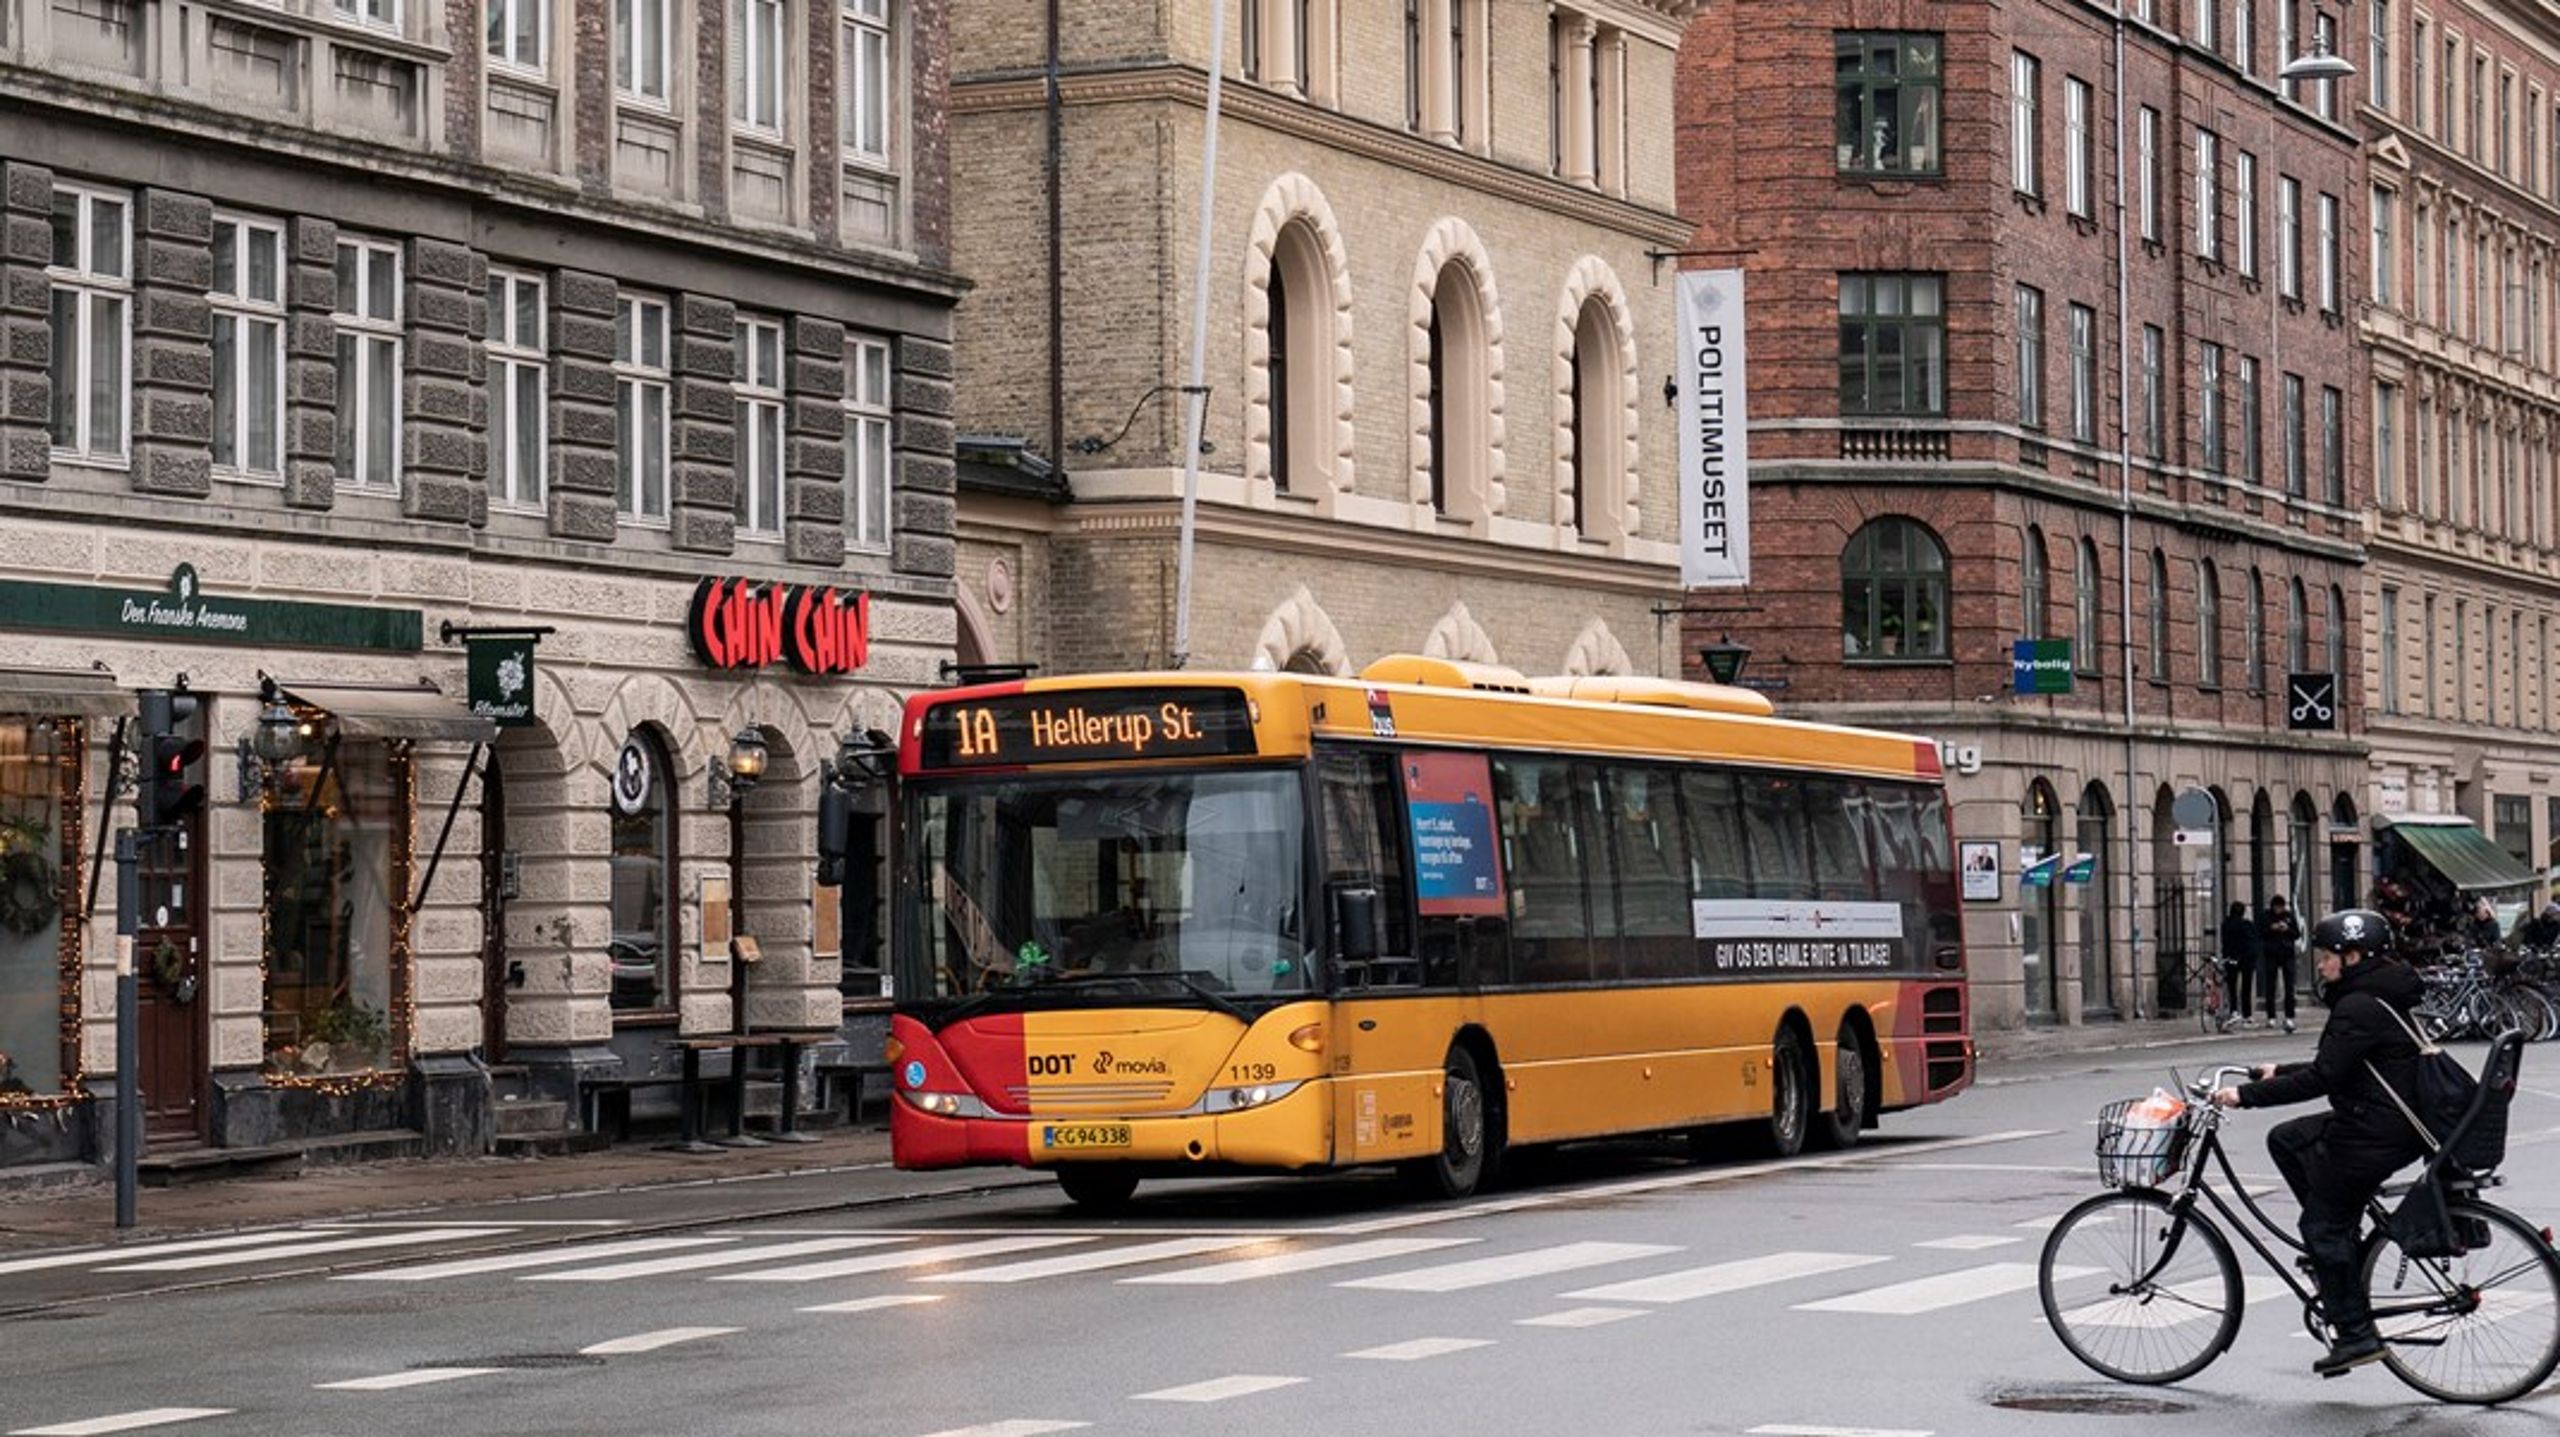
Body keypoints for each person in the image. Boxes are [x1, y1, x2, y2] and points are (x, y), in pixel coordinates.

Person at [2210, 909, 2428, 1378]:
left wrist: (2243, 1096)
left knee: (2321, 1226)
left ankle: (2355, 1334)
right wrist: (2279, 1072)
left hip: (2374, 1132)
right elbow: (2342, 1064)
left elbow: (2325, 1077)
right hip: (2381, 1122)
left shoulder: (2359, 1004)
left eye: (2328, 957)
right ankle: (2337, 1242)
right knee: (2287, 1139)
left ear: (2353, 956)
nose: (2322, 966)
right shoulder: (2376, 994)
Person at [2257, 895, 2303, 1033]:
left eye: (2281, 907)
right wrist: (2272, 928)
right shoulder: (2266, 916)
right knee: (2270, 985)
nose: (2278, 909)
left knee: (2289, 986)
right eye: (2276, 907)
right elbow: (2260, 932)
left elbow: (2297, 934)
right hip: (2271, 954)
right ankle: (2271, 1015)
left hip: (2287, 954)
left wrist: (2286, 929)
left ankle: (2289, 1015)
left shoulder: (2288, 916)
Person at [2218, 900, 2258, 1029]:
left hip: (2231, 958)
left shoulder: (2226, 924)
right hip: (2246, 959)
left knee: (2232, 987)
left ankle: (2233, 1010)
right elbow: (2253, 942)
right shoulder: (2247, 925)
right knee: (2246, 988)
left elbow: (2224, 943)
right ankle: (2247, 1015)